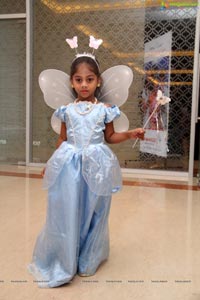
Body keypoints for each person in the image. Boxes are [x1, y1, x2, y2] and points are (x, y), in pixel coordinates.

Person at [28, 54, 145, 288]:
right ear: (71, 82)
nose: (84, 84)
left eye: (89, 79)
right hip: (69, 166)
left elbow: (110, 137)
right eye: (79, 79)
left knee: (95, 209)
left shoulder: (106, 110)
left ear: (98, 81)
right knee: (68, 209)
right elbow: (63, 139)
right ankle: (66, 255)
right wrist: (51, 164)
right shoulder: (65, 111)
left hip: (97, 166)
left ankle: (89, 257)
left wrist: (131, 133)